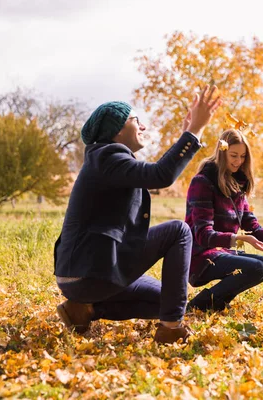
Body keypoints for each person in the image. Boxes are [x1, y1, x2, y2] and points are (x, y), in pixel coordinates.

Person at [54, 85, 221, 344]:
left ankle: (85, 310)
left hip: (88, 274)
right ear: (117, 129)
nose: (142, 126)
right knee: (179, 231)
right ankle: (171, 328)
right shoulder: (107, 157)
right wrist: (193, 132)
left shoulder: (108, 161)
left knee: (171, 300)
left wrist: (184, 136)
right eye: (136, 120)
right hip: (90, 272)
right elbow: (160, 175)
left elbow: (154, 171)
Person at [184, 129, 263, 311]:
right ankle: (199, 305)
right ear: (222, 153)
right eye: (234, 155)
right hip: (200, 256)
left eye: (243, 156)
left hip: (222, 252)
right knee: (256, 268)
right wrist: (238, 239)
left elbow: (251, 225)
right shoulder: (203, 182)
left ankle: (218, 303)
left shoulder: (237, 184)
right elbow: (203, 235)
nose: (238, 161)